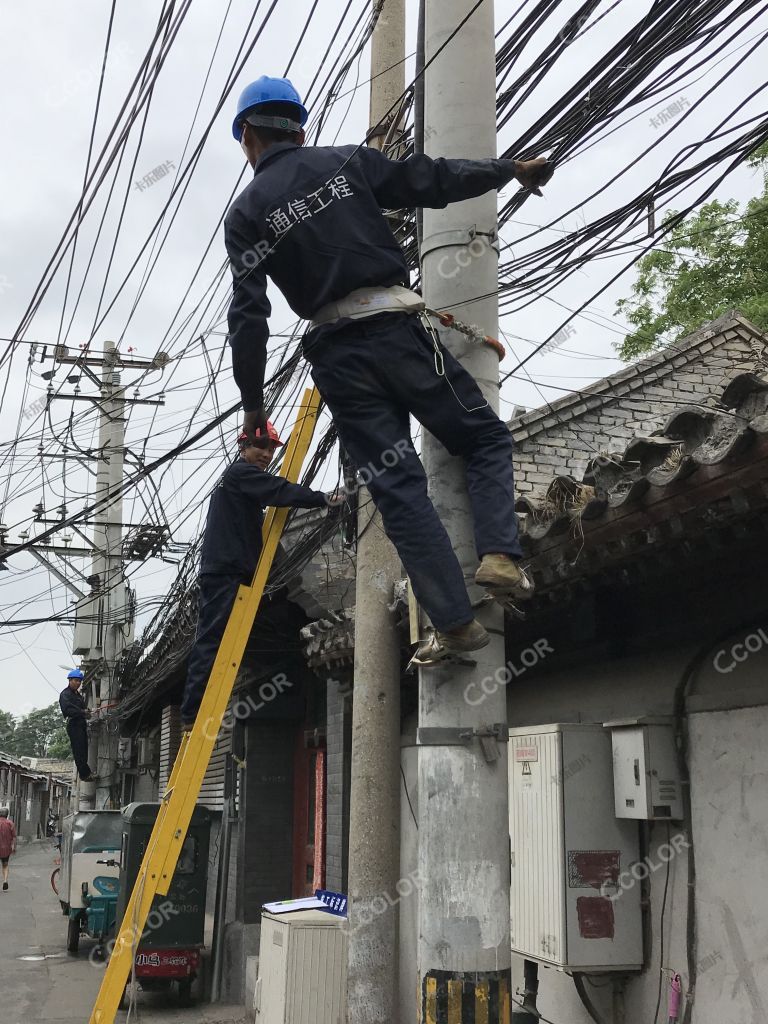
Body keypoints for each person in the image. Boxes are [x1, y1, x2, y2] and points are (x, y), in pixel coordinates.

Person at [224, 77, 554, 665]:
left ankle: (454, 623)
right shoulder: (347, 162)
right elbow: (429, 179)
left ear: (247, 136)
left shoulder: (247, 213)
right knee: (480, 437)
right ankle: (500, 555)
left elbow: (249, 315)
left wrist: (254, 405)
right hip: (399, 333)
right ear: (299, 127)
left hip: (337, 357)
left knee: (398, 490)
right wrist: (507, 170)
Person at [180, 424, 342, 729]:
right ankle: (192, 713)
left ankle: (195, 710)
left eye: (271, 449)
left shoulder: (241, 480)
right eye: (260, 447)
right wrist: (324, 498)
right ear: (243, 445)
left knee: (217, 638)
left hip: (229, 568)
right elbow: (279, 491)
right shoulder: (241, 474)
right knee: (212, 639)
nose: (267, 454)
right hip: (225, 569)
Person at [59, 669, 95, 781]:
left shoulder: (78, 696)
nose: (78, 683)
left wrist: (87, 713)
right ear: (70, 680)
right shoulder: (65, 694)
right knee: (79, 750)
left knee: (84, 750)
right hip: (73, 724)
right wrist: (82, 712)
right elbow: (67, 709)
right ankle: (85, 774)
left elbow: (83, 709)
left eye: (79, 681)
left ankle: (86, 773)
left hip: (81, 724)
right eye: (76, 680)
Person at [0, 807, 16, 891]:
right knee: (5, 865)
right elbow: (14, 837)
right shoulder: (10, 823)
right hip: (6, 848)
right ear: (7, 814)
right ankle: (5, 880)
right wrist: (13, 847)